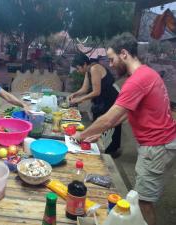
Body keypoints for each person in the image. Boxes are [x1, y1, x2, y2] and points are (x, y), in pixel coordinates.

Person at [73, 32, 176, 225]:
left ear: (124, 54)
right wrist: (97, 133)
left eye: (112, 59)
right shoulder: (147, 73)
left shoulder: (137, 80)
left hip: (157, 146)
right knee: (141, 198)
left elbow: (109, 117)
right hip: (162, 143)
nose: (110, 64)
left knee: (143, 203)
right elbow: (121, 116)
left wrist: (83, 134)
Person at [68, 52, 121, 157]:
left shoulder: (94, 68)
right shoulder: (88, 70)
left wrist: (80, 99)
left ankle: (110, 151)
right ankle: (102, 147)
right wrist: (75, 94)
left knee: (108, 123)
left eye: (78, 68)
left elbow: (96, 92)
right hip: (102, 99)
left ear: (84, 64)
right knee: (99, 122)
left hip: (109, 98)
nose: (78, 71)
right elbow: (85, 88)